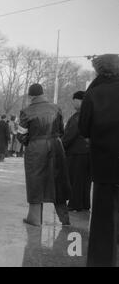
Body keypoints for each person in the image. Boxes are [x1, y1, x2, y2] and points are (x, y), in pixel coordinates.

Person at [79, 54, 119, 267]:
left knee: (104, 219)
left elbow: (83, 128)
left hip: (105, 163)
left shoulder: (94, 93)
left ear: (99, 70)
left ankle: (102, 261)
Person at [17, 83, 71, 227]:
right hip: (56, 145)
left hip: (35, 148)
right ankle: (64, 218)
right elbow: (61, 130)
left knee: (35, 181)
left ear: (31, 96)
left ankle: (34, 219)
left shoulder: (26, 111)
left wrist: (31, 141)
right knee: (57, 181)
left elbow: (21, 135)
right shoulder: (56, 108)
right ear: (42, 93)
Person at [62, 91, 91, 212]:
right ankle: (84, 203)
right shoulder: (90, 114)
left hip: (76, 152)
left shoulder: (78, 116)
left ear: (80, 100)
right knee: (85, 180)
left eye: (74, 100)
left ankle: (75, 204)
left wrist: (62, 145)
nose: (73, 102)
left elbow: (70, 134)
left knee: (75, 179)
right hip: (88, 152)